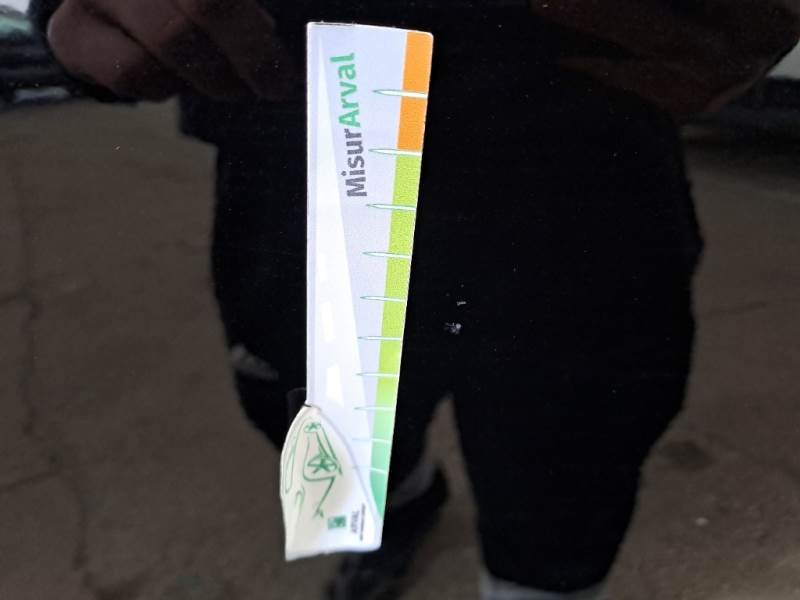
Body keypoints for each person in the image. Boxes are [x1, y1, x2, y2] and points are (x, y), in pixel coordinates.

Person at [29, 1, 800, 598]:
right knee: (322, 433)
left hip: (576, 144)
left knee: (568, 468)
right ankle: (404, 511)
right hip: (311, 131)